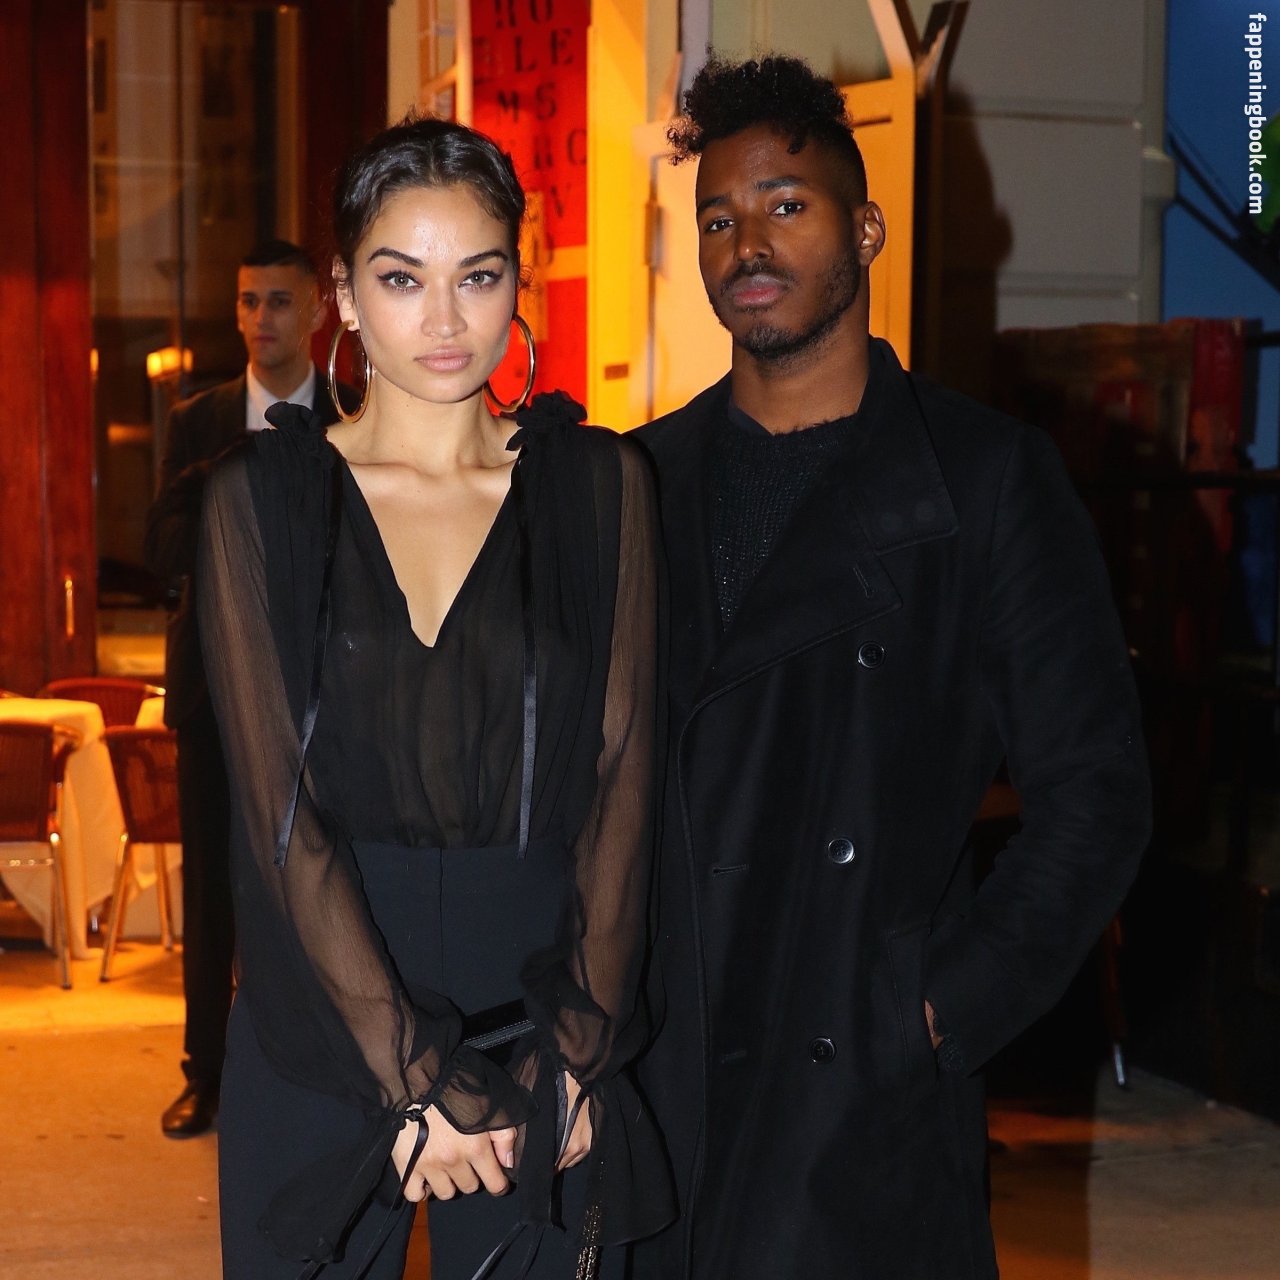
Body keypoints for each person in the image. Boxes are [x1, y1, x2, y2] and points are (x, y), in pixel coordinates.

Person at [632, 55, 1152, 1279]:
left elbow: (1095, 793)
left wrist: (934, 1004)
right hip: (667, 1063)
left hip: (853, 1090)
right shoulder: (637, 479)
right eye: (717, 218)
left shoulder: (980, 479)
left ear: (863, 228)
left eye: (785, 205)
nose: (746, 244)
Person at [198, 115, 670, 1278]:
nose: (446, 320)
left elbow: (623, 773)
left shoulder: (600, 485)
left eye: (479, 275)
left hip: (542, 1020)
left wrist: (581, 1047)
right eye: (403, 278)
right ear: (345, 296)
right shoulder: (261, 499)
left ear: (519, 281)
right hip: (321, 1013)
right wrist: (410, 1075)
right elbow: (276, 809)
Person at [145, 238, 346, 1138]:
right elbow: (161, 552)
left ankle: (327, 1066)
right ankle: (208, 1073)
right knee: (211, 889)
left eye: (278, 300)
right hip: (211, 692)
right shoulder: (199, 422)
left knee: (320, 879)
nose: (260, 319)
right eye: (247, 301)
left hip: (325, 692)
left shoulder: (355, 411)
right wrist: (223, 468)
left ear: (316, 311)